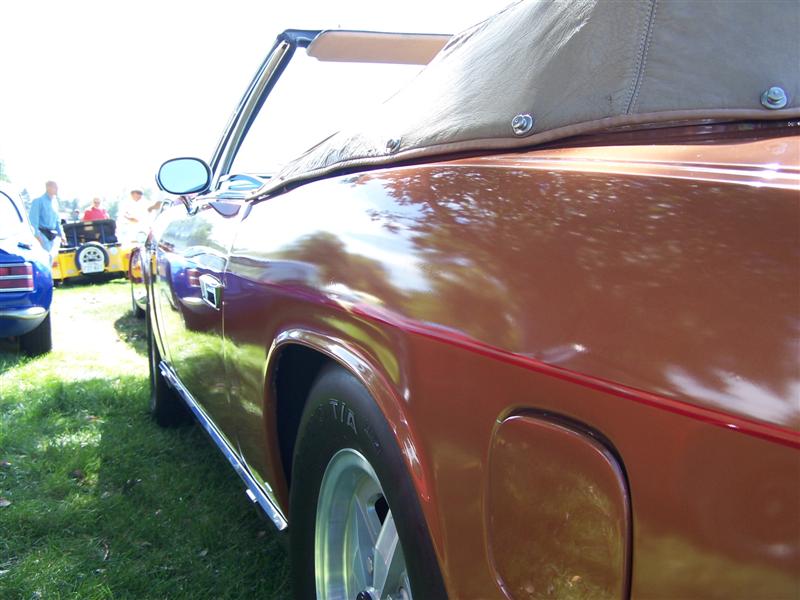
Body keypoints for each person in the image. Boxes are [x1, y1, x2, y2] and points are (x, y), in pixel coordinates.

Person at [28, 180, 65, 259]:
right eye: (55, 187)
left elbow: (57, 221)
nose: (57, 189)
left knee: (54, 260)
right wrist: (37, 236)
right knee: (46, 259)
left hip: (53, 236)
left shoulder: (55, 203)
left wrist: (62, 235)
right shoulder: (38, 201)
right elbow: (33, 221)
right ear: (48, 187)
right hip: (42, 235)